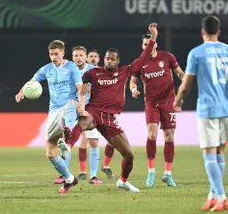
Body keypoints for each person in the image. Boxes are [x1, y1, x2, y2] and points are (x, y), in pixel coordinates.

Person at [58, 23, 159, 192]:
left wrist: (154, 37)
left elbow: (144, 58)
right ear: (103, 60)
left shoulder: (124, 72)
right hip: (94, 112)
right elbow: (79, 84)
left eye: (113, 58)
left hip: (110, 119)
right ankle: (67, 147)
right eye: (107, 58)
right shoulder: (93, 73)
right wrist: (82, 97)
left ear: (118, 61)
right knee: (83, 120)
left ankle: (123, 181)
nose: (109, 61)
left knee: (129, 154)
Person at [174, 16, 228, 211]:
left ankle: (221, 196)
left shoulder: (196, 53)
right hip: (227, 108)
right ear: (219, 31)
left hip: (207, 109)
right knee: (219, 153)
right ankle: (212, 196)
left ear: (202, 31)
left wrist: (178, 99)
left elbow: (188, 82)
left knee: (209, 154)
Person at [15, 40, 86, 193]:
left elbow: (80, 87)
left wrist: (82, 107)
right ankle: (69, 179)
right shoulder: (46, 69)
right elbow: (32, 82)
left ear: (63, 53)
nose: (53, 57)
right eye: (51, 54)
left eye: (56, 54)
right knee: (50, 153)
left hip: (69, 108)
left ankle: (67, 138)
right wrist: (22, 92)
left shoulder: (71, 67)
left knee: (71, 104)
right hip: (53, 112)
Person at [129, 30, 185, 187]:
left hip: (169, 102)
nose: (148, 47)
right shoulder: (139, 62)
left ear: (155, 44)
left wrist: (184, 78)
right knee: (152, 134)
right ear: (142, 46)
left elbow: (179, 73)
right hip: (152, 103)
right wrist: (133, 90)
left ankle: (168, 174)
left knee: (169, 136)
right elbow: (132, 82)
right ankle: (151, 171)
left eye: (150, 44)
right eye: (145, 45)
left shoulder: (167, 57)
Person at [53, 45, 103, 184]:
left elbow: (100, 90)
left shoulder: (94, 71)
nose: (78, 58)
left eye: (81, 55)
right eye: (75, 55)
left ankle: (93, 176)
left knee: (93, 141)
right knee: (67, 140)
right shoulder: (67, 70)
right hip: (72, 108)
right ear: (72, 57)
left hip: (90, 109)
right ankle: (65, 175)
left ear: (86, 57)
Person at [87, 48, 116, 179]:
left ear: (100, 59)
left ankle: (105, 166)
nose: (93, 58)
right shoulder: (83, 73)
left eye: (95, 56)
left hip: (105, 111)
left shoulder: (102, 73)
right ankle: (82, 173)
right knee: (83, 142)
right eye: (90, 56)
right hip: (87, 111)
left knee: (113, 140)